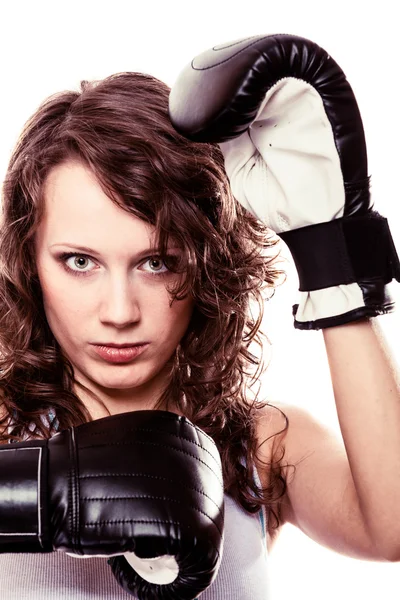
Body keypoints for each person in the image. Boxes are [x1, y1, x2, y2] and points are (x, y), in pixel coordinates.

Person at [0, 32, 400, 600]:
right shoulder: (3, 434)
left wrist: (329, 253)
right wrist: (36, 493)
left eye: (157, 262)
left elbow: (392, 529)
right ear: (30, 261)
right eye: (80, 261)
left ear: (208, 266)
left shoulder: (262, 446)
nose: (119, 312)